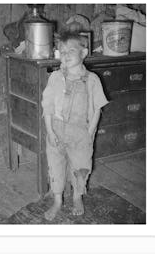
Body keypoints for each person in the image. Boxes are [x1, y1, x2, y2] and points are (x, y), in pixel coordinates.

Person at [41, 31, 109, 221]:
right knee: (56, 166)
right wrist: (49, 131)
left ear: (84, 52)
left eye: (72, 50)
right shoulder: (55, 77)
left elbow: (96, 109)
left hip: (80, 134)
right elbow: (47, 106)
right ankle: (57, 201)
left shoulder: (92, 80)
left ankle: (77, 196)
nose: (66, 54)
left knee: (80, 166)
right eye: (62, 51)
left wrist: (88, 134)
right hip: (56, 131)